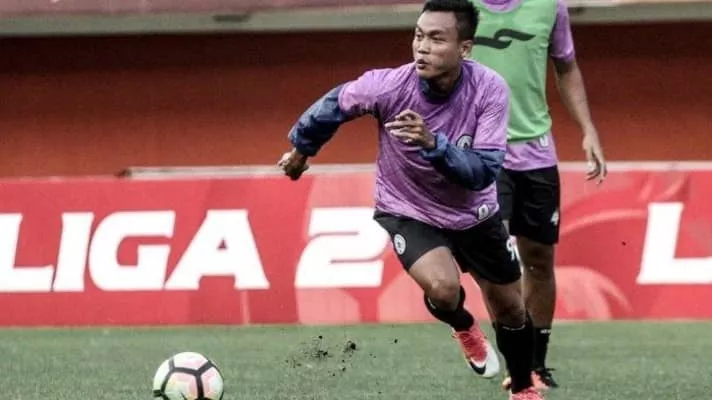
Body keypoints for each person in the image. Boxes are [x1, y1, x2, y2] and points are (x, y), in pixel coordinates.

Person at [278, 1, 544, 399]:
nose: (422, 47)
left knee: (511, 308)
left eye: (436, 39)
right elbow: (335, 104)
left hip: (475, 212)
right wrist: (301, 151)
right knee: (443, 289)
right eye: (419, 36)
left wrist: (434, 144)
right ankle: (462, 325)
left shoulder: (489, 90)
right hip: (409, 208)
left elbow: (484, 171)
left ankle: (522, 387)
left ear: (464, 48)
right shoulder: (388, 86)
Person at [468, 0, 608, 391]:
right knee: (497, 261)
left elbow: (567, 67)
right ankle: (516, 359)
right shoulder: (460, 8)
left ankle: (536, 366)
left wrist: (588, 130)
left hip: (537, 153)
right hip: (483, 151)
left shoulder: (550, 7)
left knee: (539, 260)